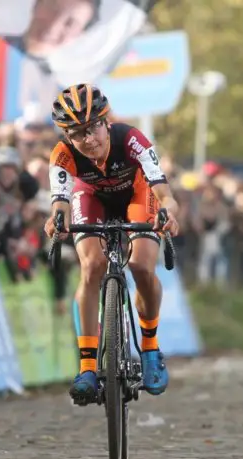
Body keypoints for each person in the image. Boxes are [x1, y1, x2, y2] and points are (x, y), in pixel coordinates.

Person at [43, 83, 181, 403]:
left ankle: (148, 349)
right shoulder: (62, 155)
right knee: (92, 266)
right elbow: (60, 202)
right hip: (90, 198)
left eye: (92, 128)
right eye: (77, 134)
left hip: (137, 193)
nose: (88, 139)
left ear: (106, 121)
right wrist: (56, 220)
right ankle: (88, 367)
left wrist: (169, 212)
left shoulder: (132, 139)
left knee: (141, 266)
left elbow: (162, 189)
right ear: (67, 137)